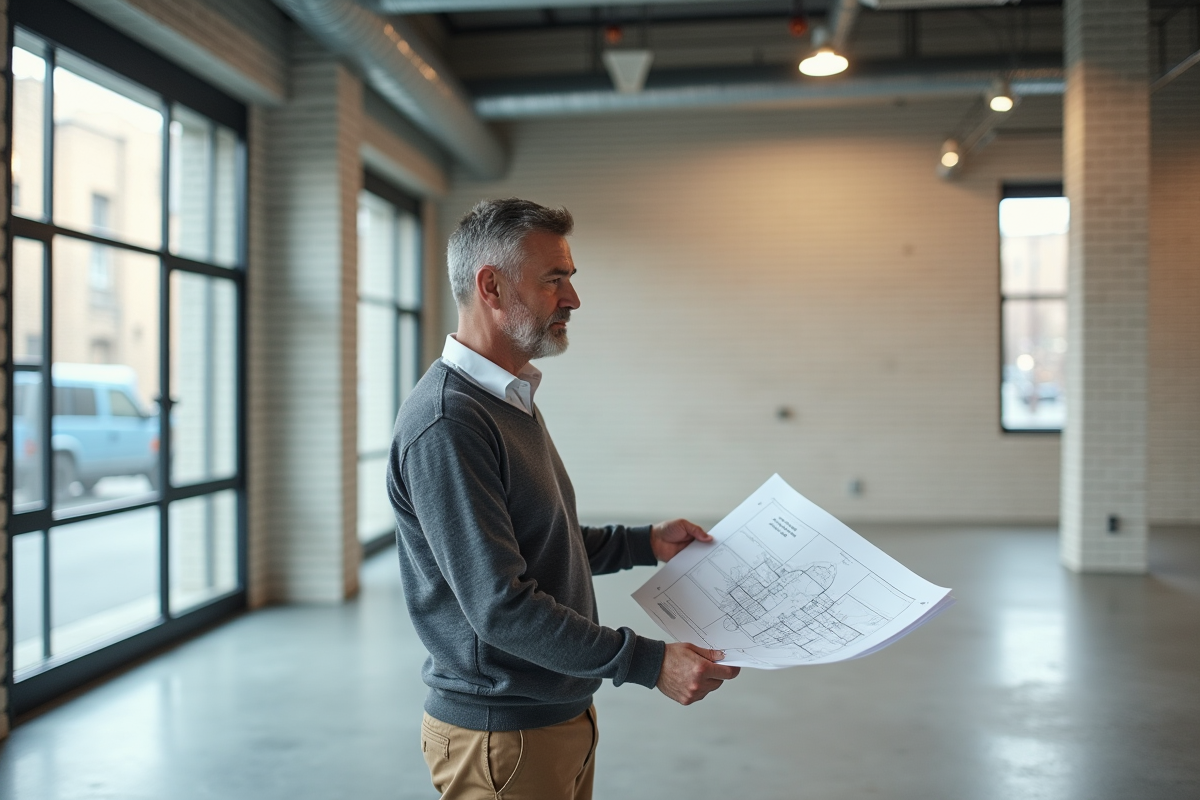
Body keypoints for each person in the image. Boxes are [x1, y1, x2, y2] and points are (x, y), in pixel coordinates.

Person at [387, 198, 740, 800]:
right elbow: (499, 606)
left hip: (553, 713)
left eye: (570, 280)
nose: (573, 299)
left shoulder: (506, 397)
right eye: (555, 280)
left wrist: (643, 542)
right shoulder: (449, 423)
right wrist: (649, 663)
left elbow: (537, 540)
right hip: (503, 735)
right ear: (491, 287)